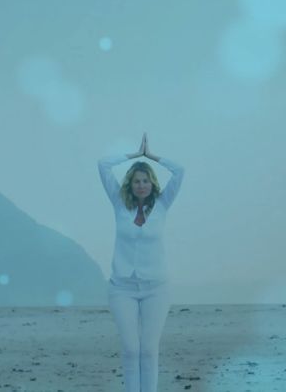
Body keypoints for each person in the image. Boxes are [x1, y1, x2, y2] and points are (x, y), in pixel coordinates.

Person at [97, 133, 184, 392]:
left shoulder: (162, 205)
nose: (141, 185)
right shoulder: (118, 204)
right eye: (137, 180)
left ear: (152, 183)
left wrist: (152, 156)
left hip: (156, 288)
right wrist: (134, 155)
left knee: (148, 350)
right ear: (130, 184)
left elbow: (180, 171)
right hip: (121, 287)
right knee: (131, 349)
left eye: (146, 180)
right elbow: (102, 165)